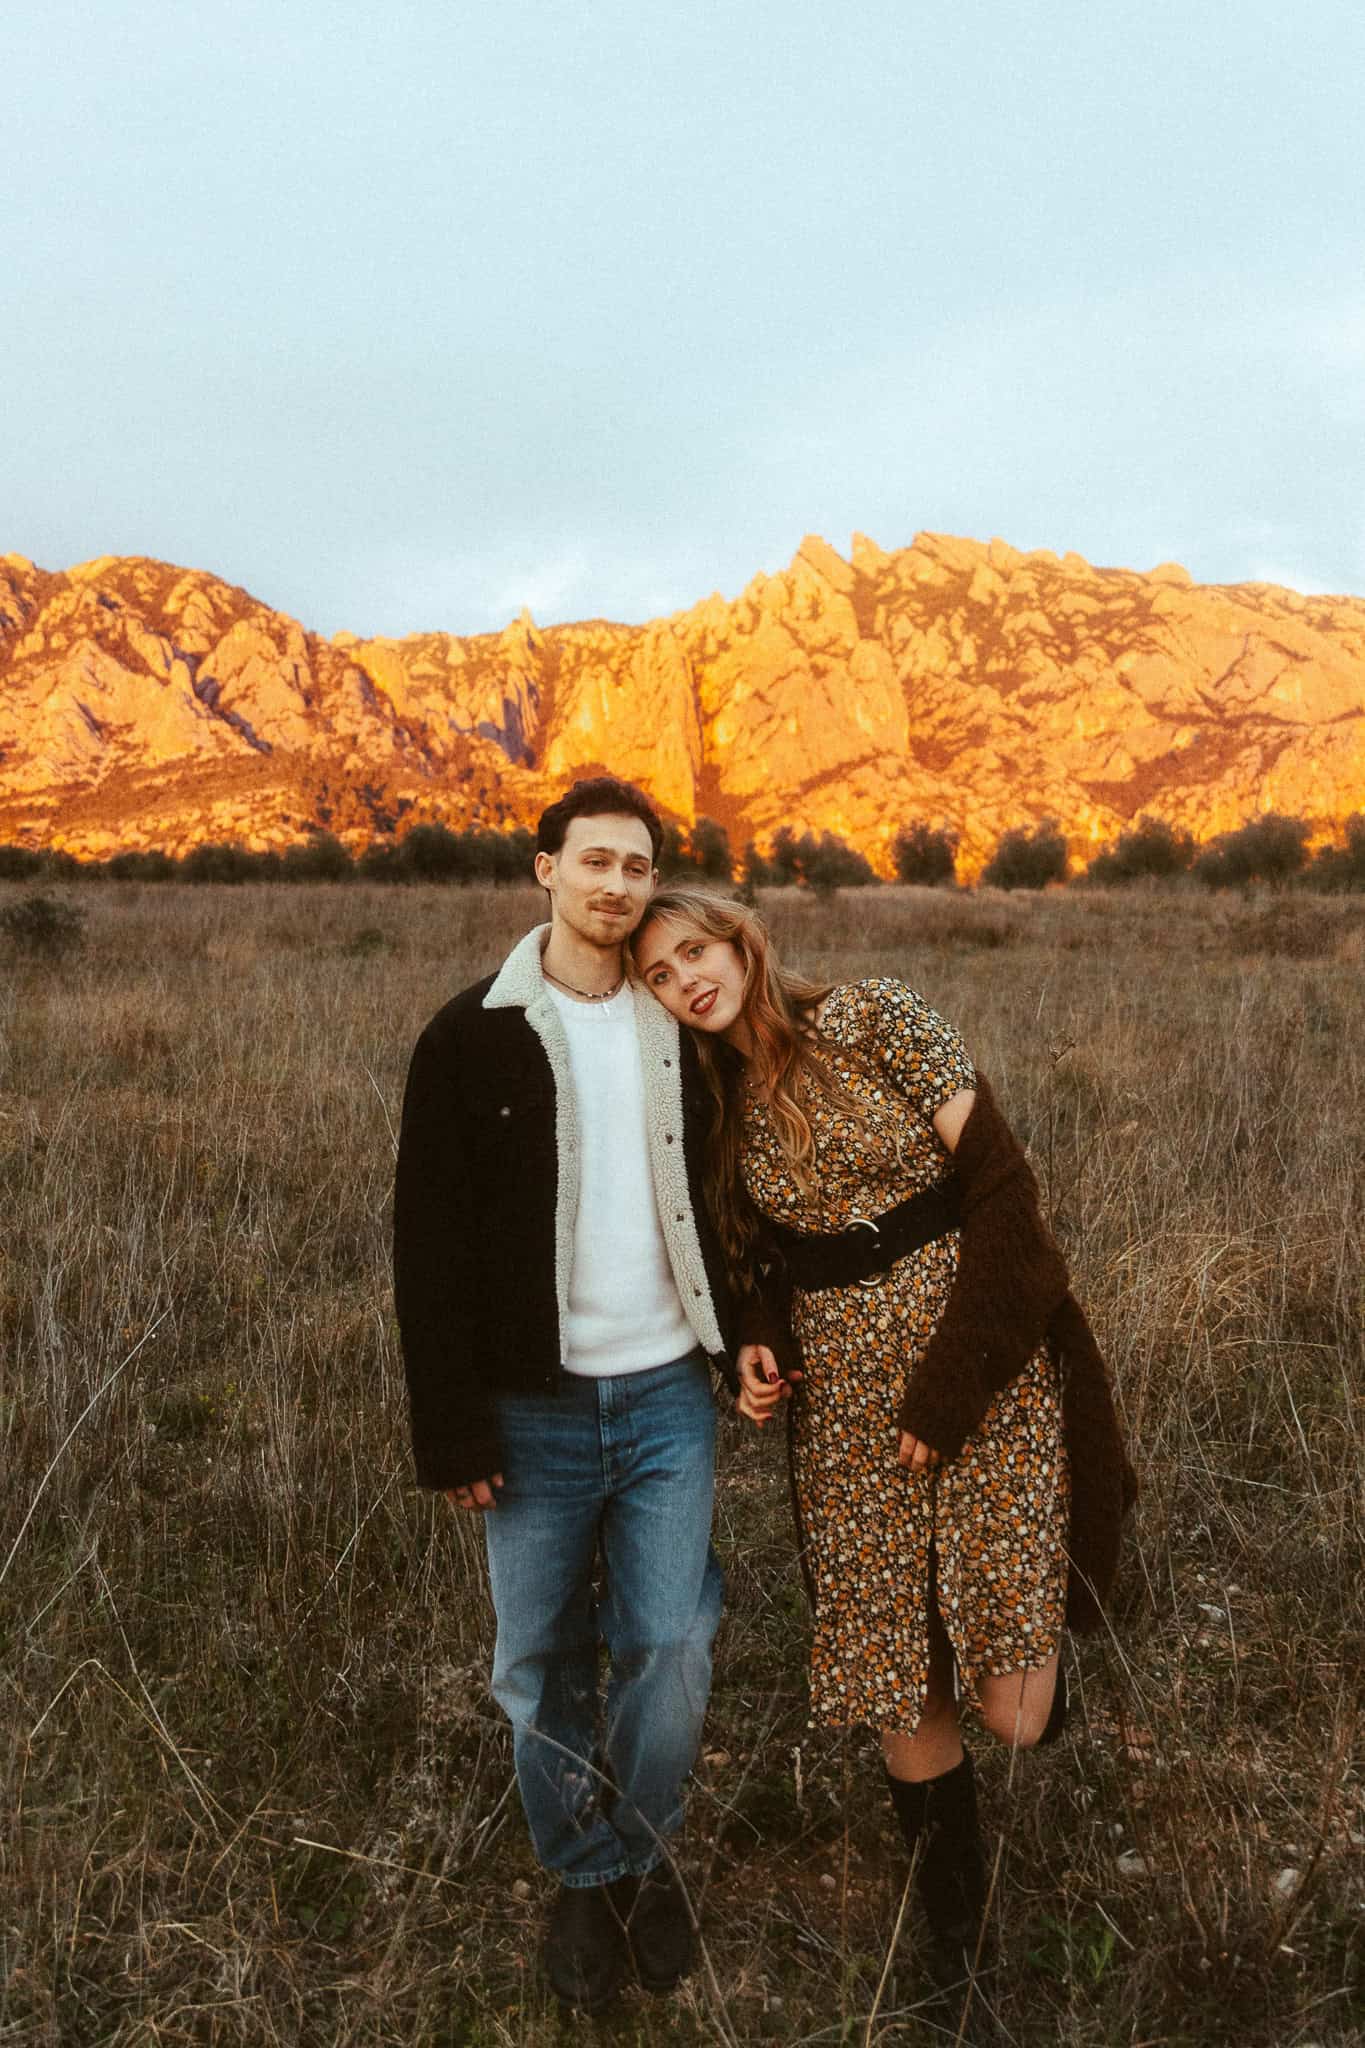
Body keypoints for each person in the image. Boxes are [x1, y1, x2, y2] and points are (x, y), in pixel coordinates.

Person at [632, 885, 1136, 2009]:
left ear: (741, 938)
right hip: (849, 1414)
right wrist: (757, 1344)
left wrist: (951, 1384)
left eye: (697, 951)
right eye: (660, 976)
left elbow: (1002, 1187)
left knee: (1012, 1708)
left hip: (979, 1370)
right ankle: (958, 1951)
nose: (687, 982)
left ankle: (1017, 1654)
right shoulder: (710, 1106)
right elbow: (754, 1261)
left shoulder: (874, 1016)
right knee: (896, 1668)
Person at [392, 782, 743, 2014]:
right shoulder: (469, 1034)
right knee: (538, 1660)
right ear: (545, 869)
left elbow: (722, 1198)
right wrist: (452, 1424)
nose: (616, 885)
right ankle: (584, 1875)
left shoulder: (680, 1026)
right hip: (528, 1407)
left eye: (637, 867)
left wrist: (744, 1335)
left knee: (671, 1646)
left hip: (664, 1399)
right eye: (594, 860)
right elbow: (425, 1245)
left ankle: (641, 1852)